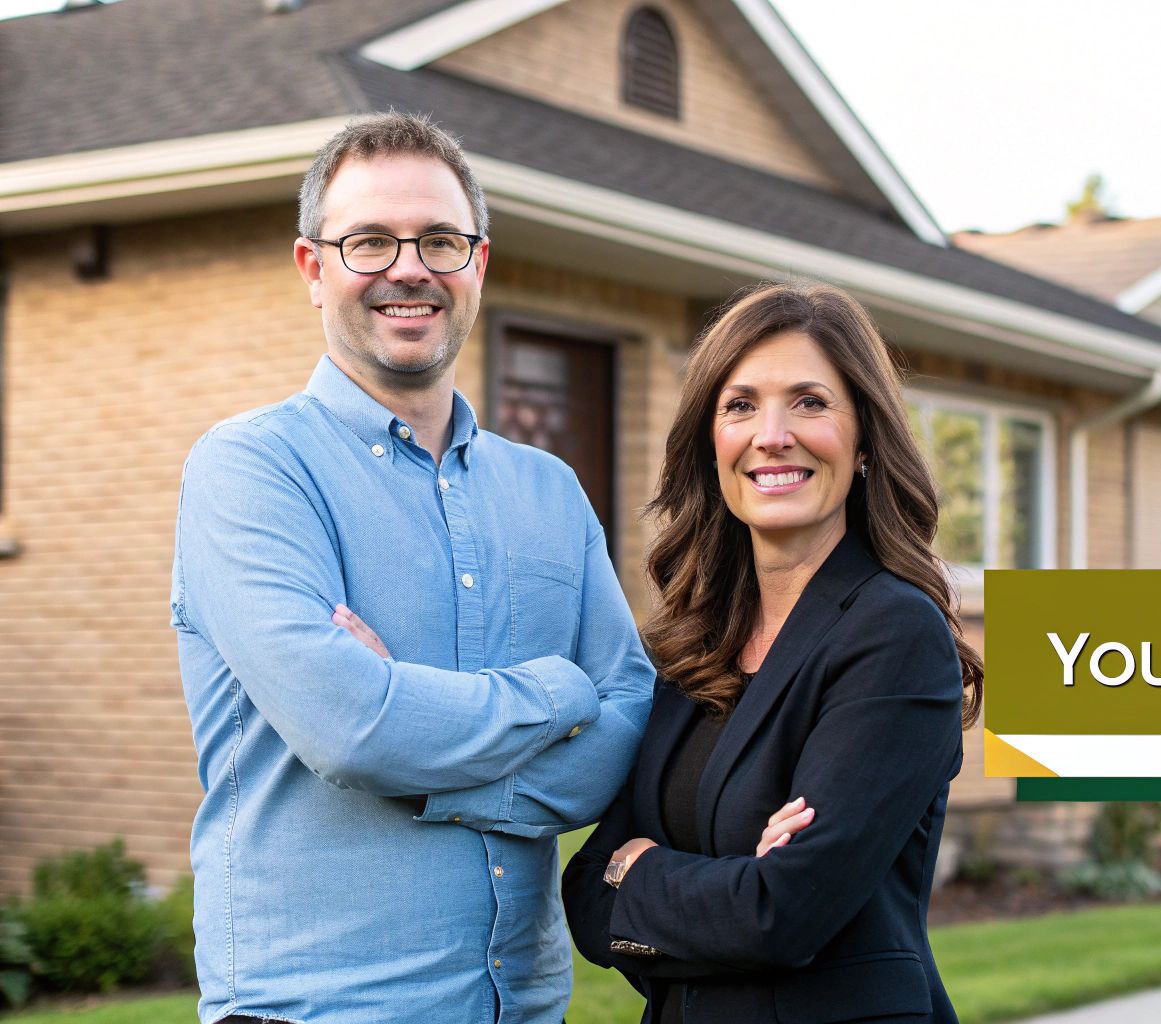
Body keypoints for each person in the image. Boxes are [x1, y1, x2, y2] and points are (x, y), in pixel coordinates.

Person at [169, 112, 653, 1024]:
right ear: (314, 269)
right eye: (369, 242)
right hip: (319, 1008)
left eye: (439, 239)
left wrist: (420, 752)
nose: (409, 268)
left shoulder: (548, 490)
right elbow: (352, 729)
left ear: (478, 264)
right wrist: (556, 694)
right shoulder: (249, 471)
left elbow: (627, 720)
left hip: (524, 1003)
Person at [562, 282, 985, 1023]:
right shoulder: (696, 640)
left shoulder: (893, 633)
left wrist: (646, 868)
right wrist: (695, 881)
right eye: (741, 404)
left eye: (811, 402)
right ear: (712, 444)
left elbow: (780, 914)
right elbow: (588, 890)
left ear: (864, 445)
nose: (773, 433)